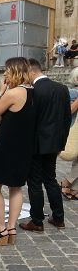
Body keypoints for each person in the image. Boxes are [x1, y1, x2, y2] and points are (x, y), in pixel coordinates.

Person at [0, 57, 36, 245]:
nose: (5, 74)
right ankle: (12, 227)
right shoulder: (33, 93)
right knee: (16, 187)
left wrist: (0, 92)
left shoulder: (13, 93)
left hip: (8, 145)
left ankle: (0, 229)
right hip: (24, 146)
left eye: (7, 70)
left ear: (14, 71)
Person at [18, 59, 72, 232]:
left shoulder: (33, 91)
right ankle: (58, 217)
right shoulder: (62, 89)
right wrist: (60, 144)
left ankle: (37, 220)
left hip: (35, 144)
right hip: (54, 144)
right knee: (50, 179)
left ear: (32, 72)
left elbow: (28, 121)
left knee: (34, 182)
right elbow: (66, 119)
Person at [60, 67, 78, 200]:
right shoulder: (72, 92)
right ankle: (68, 184)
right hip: (74, 130)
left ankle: (71, 187)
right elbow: (69, 111)